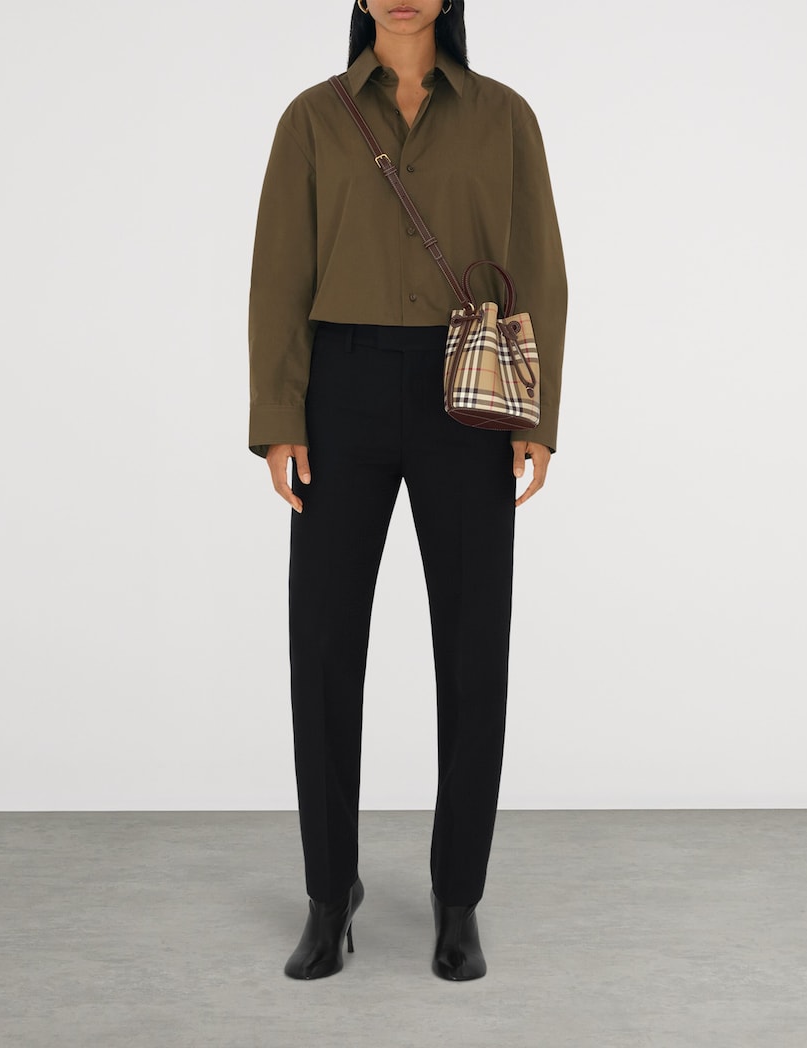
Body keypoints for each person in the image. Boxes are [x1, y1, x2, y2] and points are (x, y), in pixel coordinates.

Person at [246, 0, 568, 982]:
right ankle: (327, 891)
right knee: (324, 646)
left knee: (473, 651)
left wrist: (537, 416)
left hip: (468, 389)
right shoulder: (312, 117)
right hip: (339, 387)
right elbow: (278, 274)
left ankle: (457, 896)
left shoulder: (504, 116)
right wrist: (280, 413)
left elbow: (540, 269)